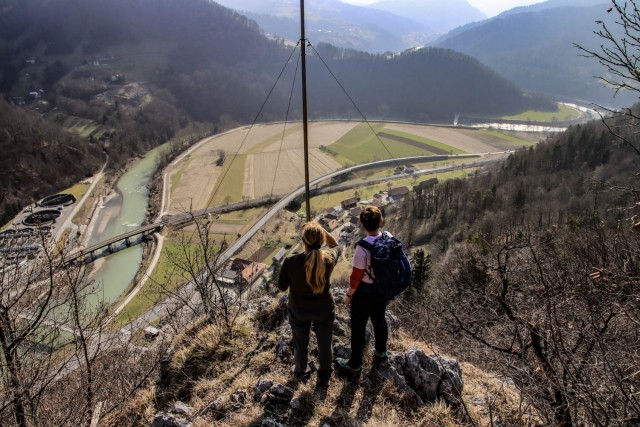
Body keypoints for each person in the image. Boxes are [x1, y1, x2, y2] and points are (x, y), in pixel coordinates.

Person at [278, 221, 341, 388]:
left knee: (300, 342)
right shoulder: (328, 259)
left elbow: (282, 286)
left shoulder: (291, 261)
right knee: (325, 344)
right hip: (323, 310)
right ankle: (324, 377)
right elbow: (335, 245)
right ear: (321, 240)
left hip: (299, 310)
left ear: (303, 240)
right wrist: (322, 229)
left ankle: (300, 371)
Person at [336, 205, 389, 373]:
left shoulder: (362, 248)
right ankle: (381, 352)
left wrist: (349, 295)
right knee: (380, 321)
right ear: (381, 221)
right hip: (381, 289)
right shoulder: (388, 238)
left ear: (362, 225)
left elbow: (356, 277)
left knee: (358, 327)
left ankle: (355, 363)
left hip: (364, 292)